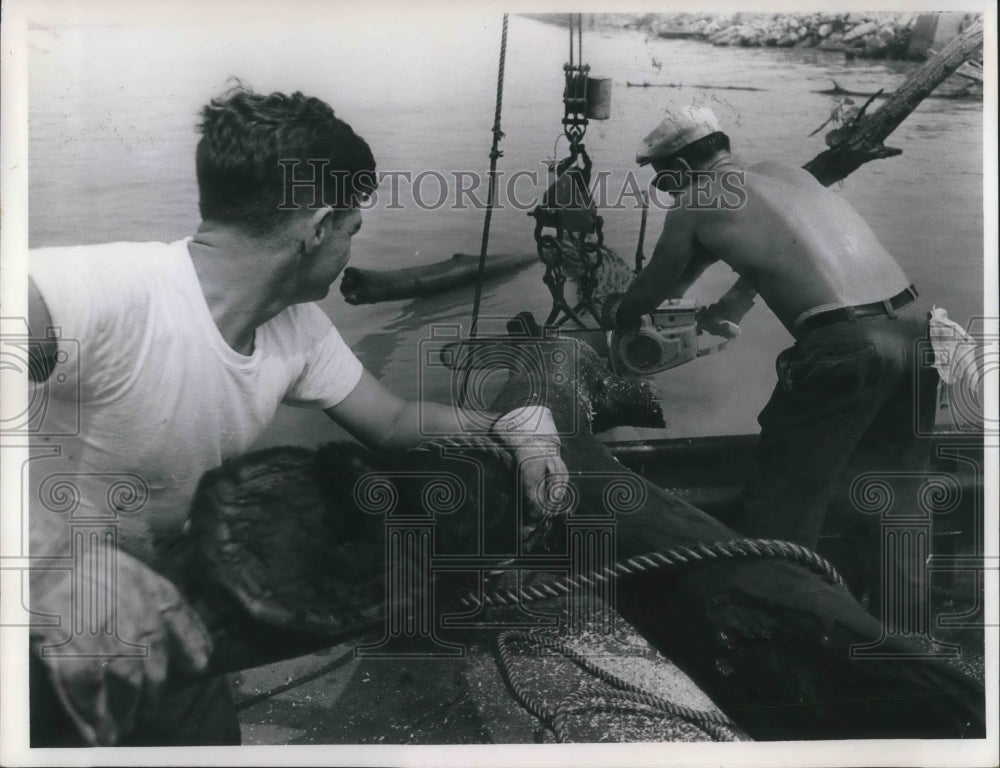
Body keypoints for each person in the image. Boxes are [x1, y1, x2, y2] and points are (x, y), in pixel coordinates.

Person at [26, 84, 568, 747]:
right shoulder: (104, 292)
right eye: (351, 229)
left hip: (159, 606)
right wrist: (61, 564)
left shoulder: (297, 330)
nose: (348, 251)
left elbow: (393, 421)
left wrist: (514, 426)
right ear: (316, 230)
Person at [612, 104, 938, 551]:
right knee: (894, 495)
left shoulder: (693, 204)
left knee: (782, 505)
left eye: (663, 178)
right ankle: (895, 614)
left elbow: (647, 293)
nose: (664, 190)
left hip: (846, 345)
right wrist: (732, 306)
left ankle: (783, 615)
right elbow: (780, 248)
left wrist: (621, 324)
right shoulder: (789, 175)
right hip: (921, 329)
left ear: (683, 167)